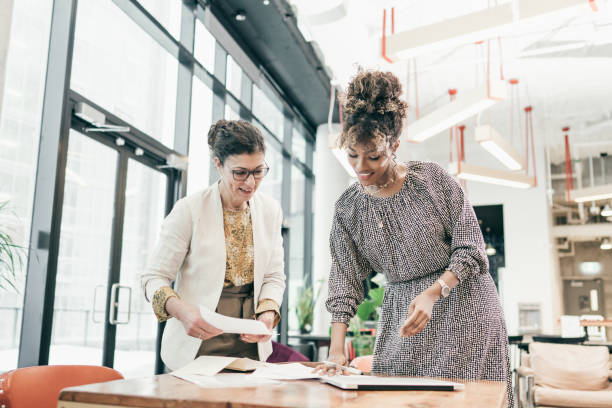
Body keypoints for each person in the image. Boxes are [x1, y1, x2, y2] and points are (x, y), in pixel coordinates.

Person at [318, 70, 512, 405]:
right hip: (403, 313)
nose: (361, 167)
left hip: (464, 305)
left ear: (393, 147)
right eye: (352, 155)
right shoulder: (348, 208)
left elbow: (471, 249)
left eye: (374, 156)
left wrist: (435, 292)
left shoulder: (431, 181)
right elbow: (344, 279)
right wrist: (336, 349)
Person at [140, 120, 286, 371]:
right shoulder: (189, 210)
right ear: (218, 164)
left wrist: (268, 314)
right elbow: (153, 279)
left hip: (250, 348)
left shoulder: (270, 211)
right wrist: (183, 313)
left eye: (258, 171)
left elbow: (274, 276)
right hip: (195, 342)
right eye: (240, 172)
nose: (250, 183)